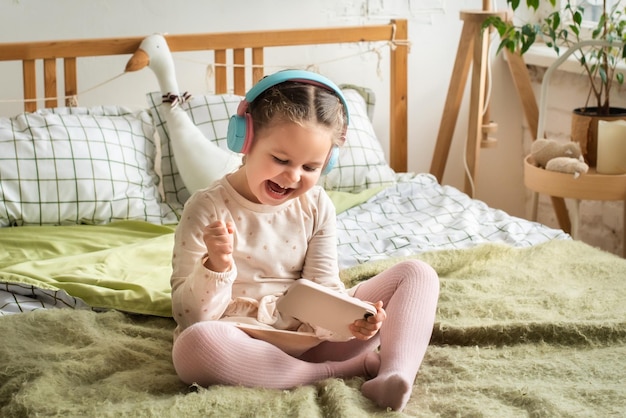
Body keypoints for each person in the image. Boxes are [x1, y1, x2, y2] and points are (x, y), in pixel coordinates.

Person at [170, 69, 440, 412]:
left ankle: (394, 373)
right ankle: (339, 371)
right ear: (245, 140)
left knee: (417, 274)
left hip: (309, 334)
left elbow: (324, 286)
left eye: (311, 167)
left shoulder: (316, 205)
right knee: (194, 346)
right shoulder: (205, 208)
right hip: (237, 338)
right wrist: (215, 267)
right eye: (280, 160)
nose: (293, 176)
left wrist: (354, 323)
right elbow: (189, 316)